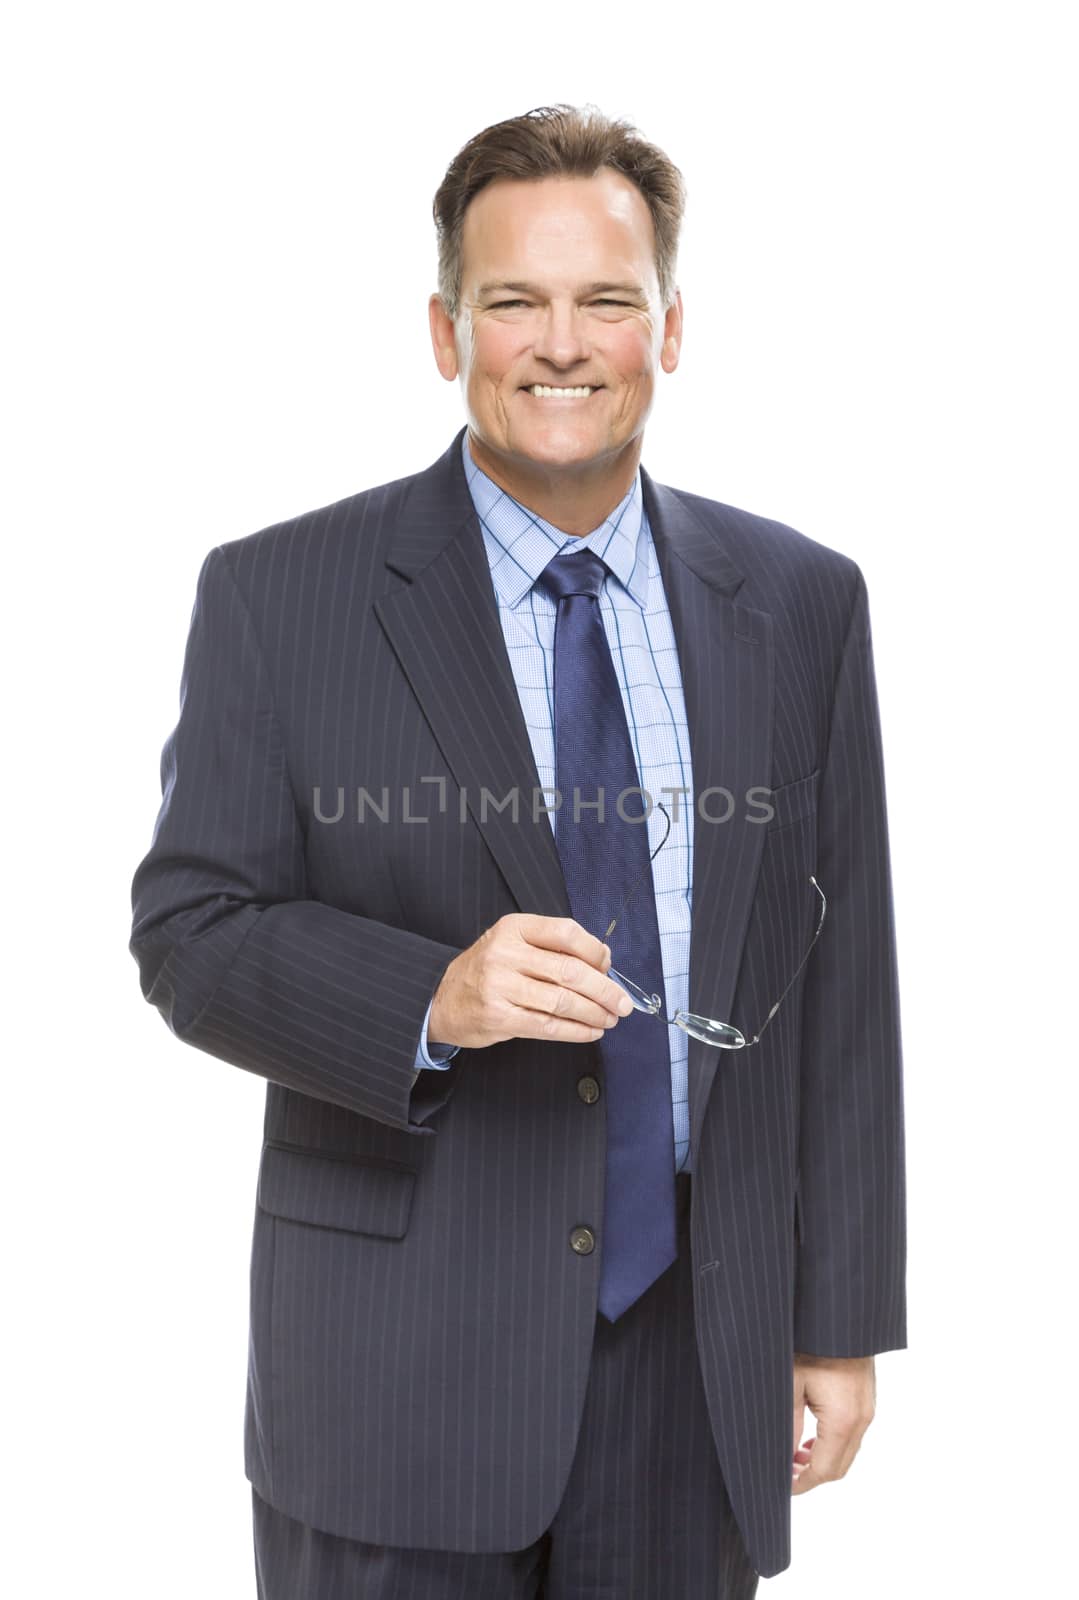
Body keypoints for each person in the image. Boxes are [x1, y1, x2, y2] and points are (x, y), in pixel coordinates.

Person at [129, 102, 907, 1598]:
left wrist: (839, 1313)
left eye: (607, 300)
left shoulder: (804, 602)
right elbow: (192, 932)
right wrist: (433, 994)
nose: (563, 343)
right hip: (397, 1370)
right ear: (445, 330)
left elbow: (843, 978)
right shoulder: (280, 595)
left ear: (670, 331)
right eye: (515, 303)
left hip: (697, 1356)